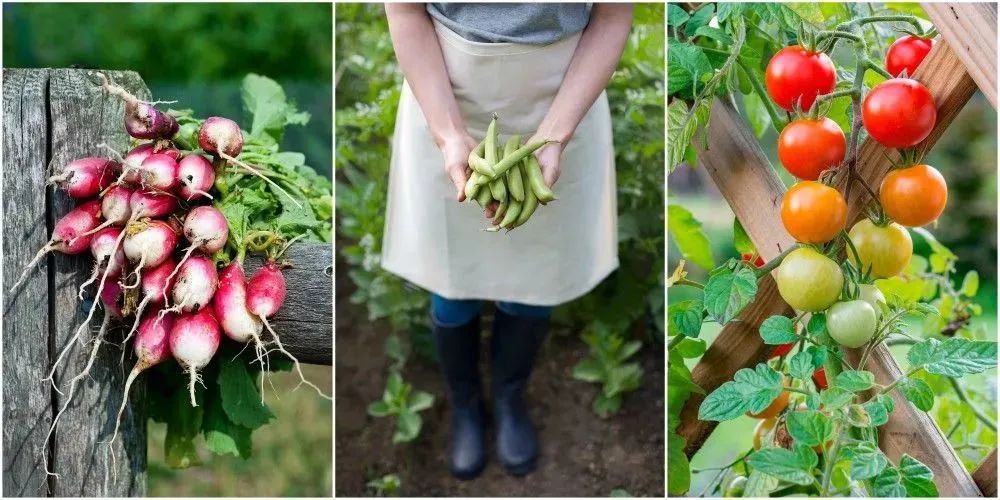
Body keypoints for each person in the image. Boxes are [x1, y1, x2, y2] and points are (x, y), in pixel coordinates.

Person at [383, 3, 632, 479]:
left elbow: (613, 14)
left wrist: (554, 137)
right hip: (445, 94)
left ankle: (509, 398)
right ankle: (465, 405)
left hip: (562, 101)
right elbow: (406, 10)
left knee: (537, 274)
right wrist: (450, 137)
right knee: (452, 276)